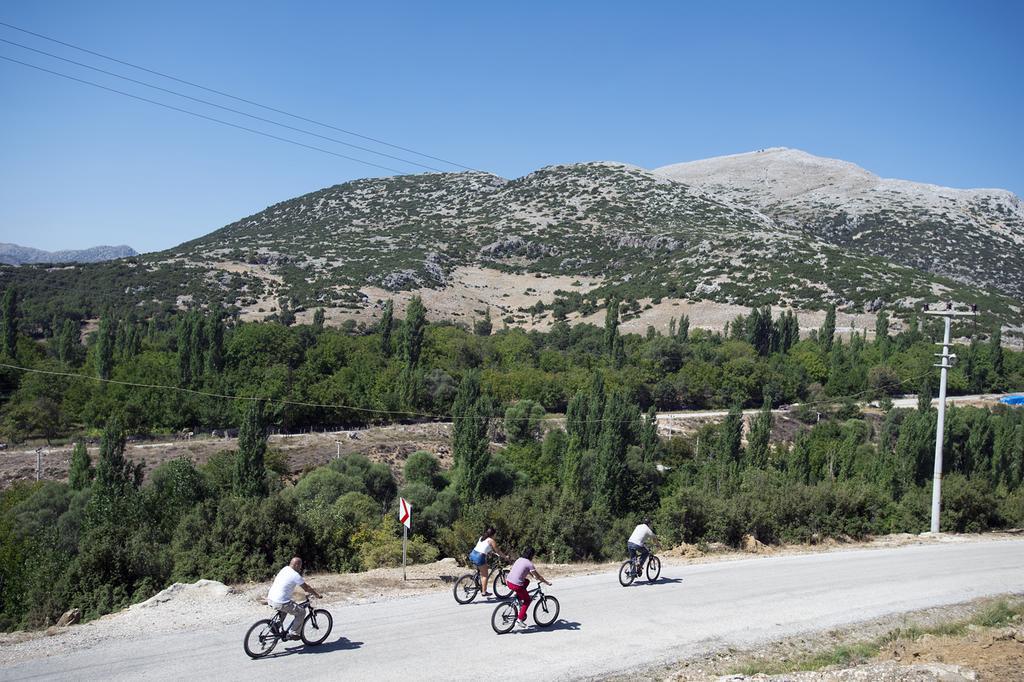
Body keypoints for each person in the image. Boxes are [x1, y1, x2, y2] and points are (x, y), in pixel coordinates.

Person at [266, 556, 322, 640]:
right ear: (296, 565)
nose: (300, 568)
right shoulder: (295, 575)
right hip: (280, 602)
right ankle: (294, 633)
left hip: (271, 598)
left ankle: (275, 625)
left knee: (286, 607)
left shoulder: (285, 569)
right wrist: (317, 595)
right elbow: (306, 588)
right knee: (301, 612)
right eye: (300, 566)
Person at [505, 546, 551, 628]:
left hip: (508, 581)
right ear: (531, 555)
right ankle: (519, 620)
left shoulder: (519, 559)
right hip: (516, 585)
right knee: (527, 600)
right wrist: (546, 582)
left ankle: (519, 597)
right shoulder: (530, 564)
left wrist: (532, 576)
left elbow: (526, 570)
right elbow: (539, 577)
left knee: (527, 581)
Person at [468, 527, 508, 596]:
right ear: (493, 534)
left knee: (482, 568)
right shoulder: (491, 541)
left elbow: (483, 547)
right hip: (479, 557)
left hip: (472, 554)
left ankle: (477, 580)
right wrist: (505, 557)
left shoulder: (482, 537)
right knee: (485, 575)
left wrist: (491, 552)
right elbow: (498, 551)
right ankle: (484, 592)